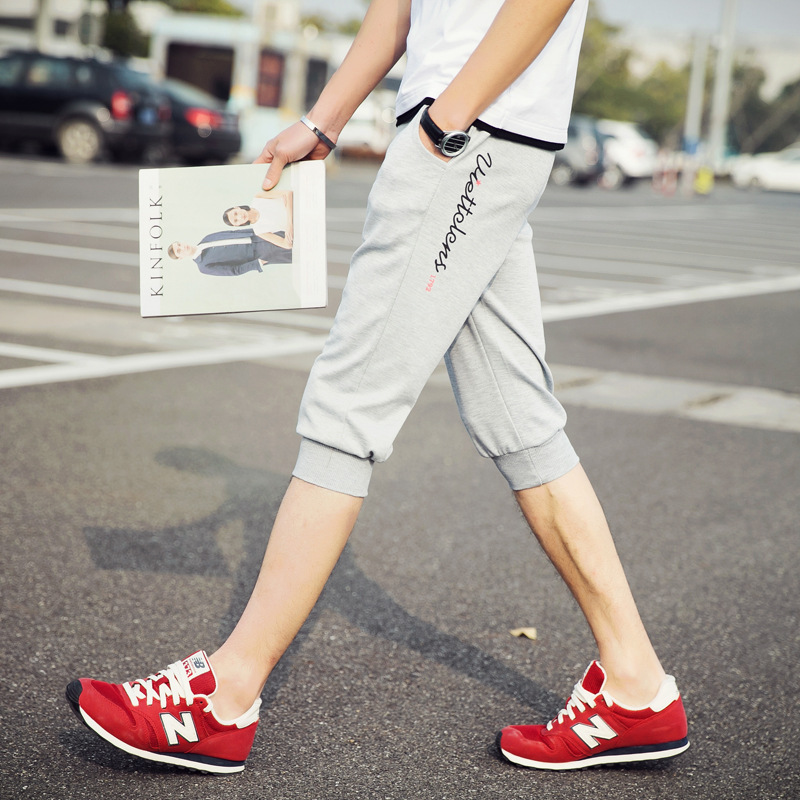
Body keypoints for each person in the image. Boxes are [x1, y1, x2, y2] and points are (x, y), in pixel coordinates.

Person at [66, 0, 689, 776]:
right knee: (516, 416)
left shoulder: (457, 122)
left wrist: (449, 120)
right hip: (472, 135)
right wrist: (323, 123)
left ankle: (223, 699)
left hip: (469, 135)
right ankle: (635, 685)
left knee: (347, 407)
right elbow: (395, 13)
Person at [167, 227, 293, 277]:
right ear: (180, 258)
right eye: (179, 250)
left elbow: (233, 233)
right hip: (260, 253)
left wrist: (259, 231)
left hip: (259, 237)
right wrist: (258, 263)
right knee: (294, 252)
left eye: (179, 244)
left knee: (295, 236)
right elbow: (233, 271)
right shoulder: (203, 266)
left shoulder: (206, 238)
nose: (182, 247)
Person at [223, 189, 294, 242]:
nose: (240, 217)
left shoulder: (258, 198)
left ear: (237, 208)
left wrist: (289, 225)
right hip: (299, 225)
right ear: (238, 225)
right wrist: (287, 205)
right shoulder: (259, 231)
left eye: (236, 213)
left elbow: (288, 193)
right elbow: (286, 245)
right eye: (236, 220)